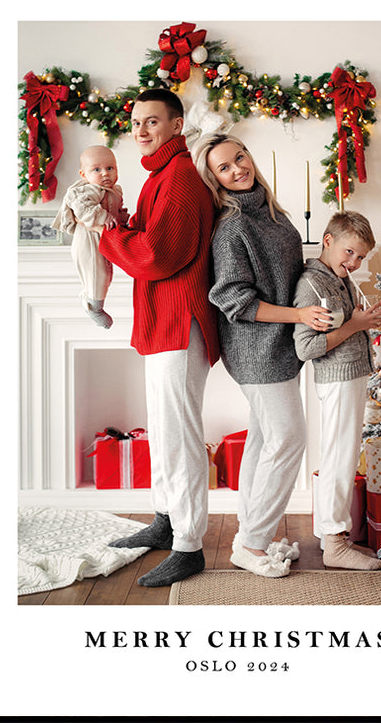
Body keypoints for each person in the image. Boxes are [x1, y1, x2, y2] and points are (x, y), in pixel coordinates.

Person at [87, 89, 220, 587]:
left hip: (179, 322)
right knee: (162, 428)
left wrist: (106, 235)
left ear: (177, 125)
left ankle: (188, 545)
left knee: (178, 434)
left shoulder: (180, 178)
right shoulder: (158, 177)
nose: (141, 131)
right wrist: (121, 224)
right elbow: (147, 239)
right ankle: (166, 521)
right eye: (136, 123)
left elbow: (158, 255)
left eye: (152, 121)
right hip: (163, 321)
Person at [192, 133, 331, 578]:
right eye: (224, 168)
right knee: (289, 438)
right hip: (255, 350)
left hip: (280, 345)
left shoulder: (272, 211)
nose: (237, 169)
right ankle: (251, 544)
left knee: (263, 440)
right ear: (214, 180)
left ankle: (251, 533)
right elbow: (235, 299)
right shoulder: (233, 226)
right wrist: (299, 315)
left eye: (239, 158)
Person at [293, 210, 381, 570]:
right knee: (338, 457)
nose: (355, 262)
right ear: (328, 241)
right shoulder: (311, 285)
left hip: (351, 374)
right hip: (337, 378)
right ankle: (335, 544)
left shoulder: (337, 278)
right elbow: (307, 348)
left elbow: (345, 325)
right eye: (349, 252)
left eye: (361, 256)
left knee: (342, 455)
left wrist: (363, 321)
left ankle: (332, 535)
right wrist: (355, 324)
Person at [52, 145, 129, 328]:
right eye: (97, 169)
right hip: (87, 240)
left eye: (110, 168)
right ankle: (94, 307)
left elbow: (117, 210)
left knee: (106, 273)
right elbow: (82, 207)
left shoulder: (115, 191)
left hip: (101, 239)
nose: (105, 174)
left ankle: (92, 299)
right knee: (97, 272)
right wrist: (104, 217)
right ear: (84, 175)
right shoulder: (89, 190)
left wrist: (122, 218)